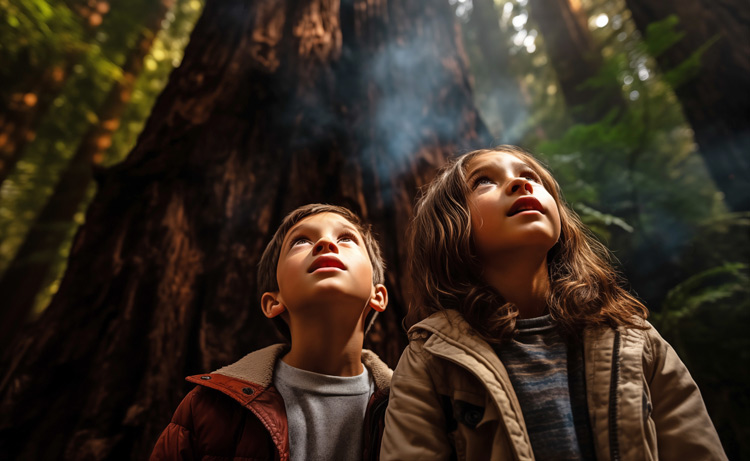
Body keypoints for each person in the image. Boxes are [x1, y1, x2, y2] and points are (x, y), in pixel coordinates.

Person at [380, 146, 727, 460]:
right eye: (484, 181)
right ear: (450, 226)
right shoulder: (430, 361)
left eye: (529, 176)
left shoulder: (635, 338)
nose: (519, 183)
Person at [151, 204, 392, 461]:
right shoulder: (208, 408)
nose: (324, 242)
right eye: (300, 241)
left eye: (346, 238)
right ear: (273, 302)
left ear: (377, 295)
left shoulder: (411, 404)